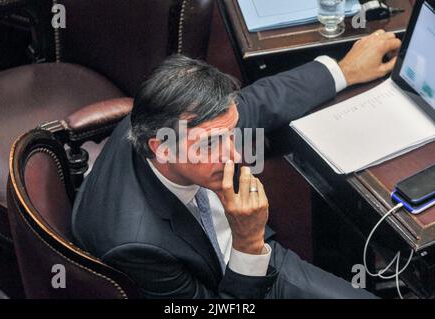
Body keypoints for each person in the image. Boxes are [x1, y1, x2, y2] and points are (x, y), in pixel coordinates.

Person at [72, 30, 401, 298]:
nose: (235, 154)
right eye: (212, 144)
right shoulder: (138, 245)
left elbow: (258, 102)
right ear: (163, 150)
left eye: (230, 133)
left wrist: (343, 70)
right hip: (233, 279)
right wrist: (247, 241)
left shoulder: (166, 117)